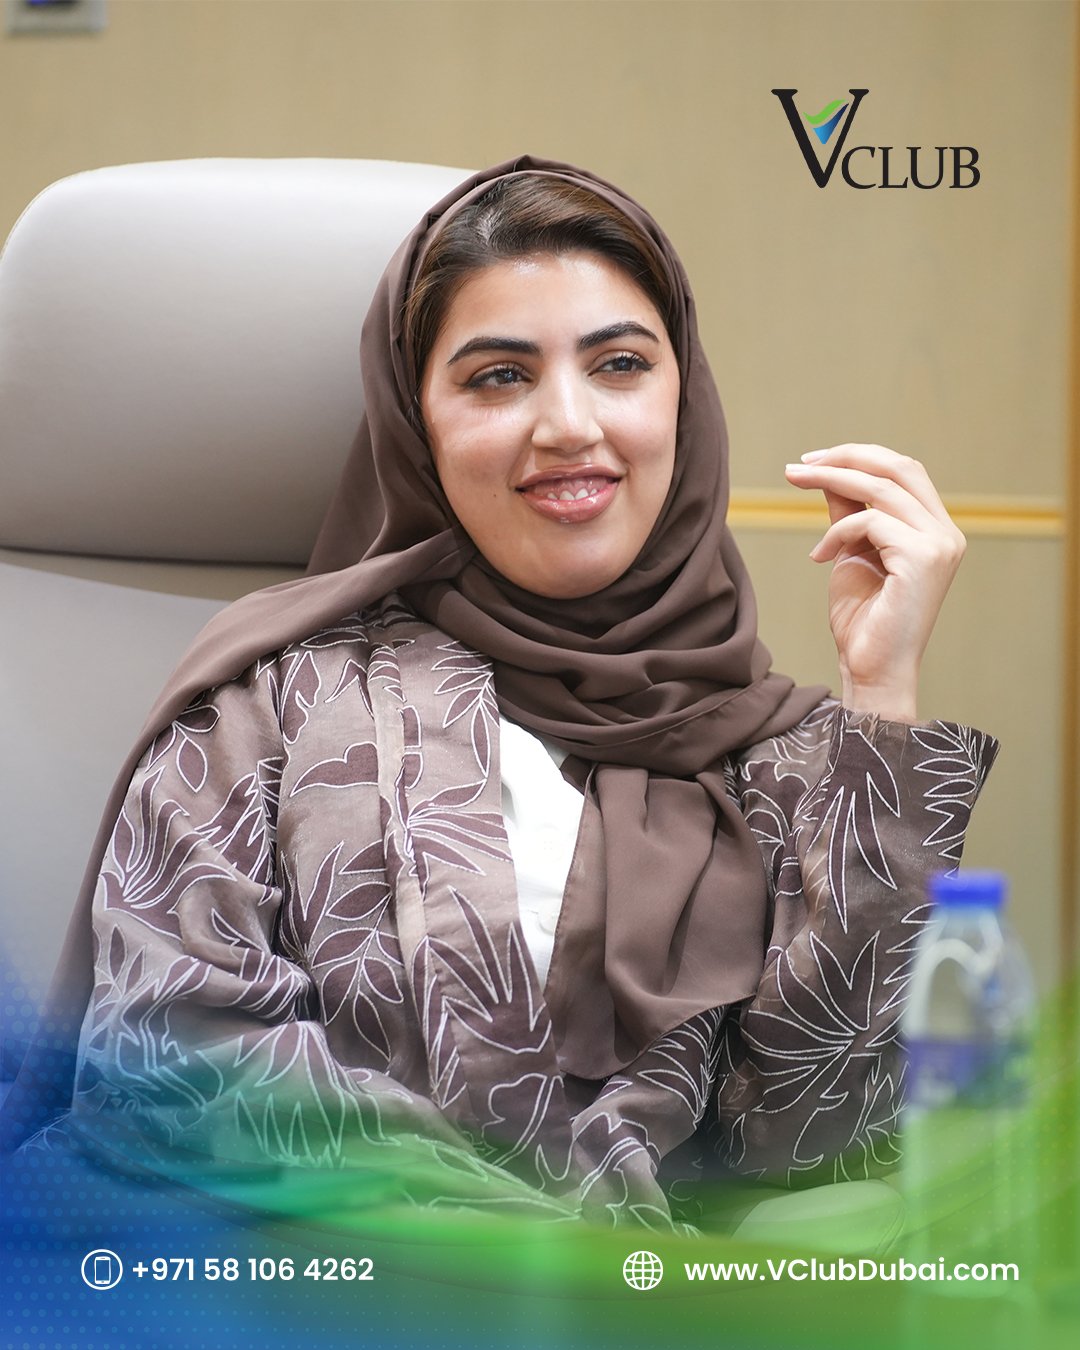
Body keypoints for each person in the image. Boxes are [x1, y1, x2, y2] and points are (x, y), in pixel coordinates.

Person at [2, 156, 997, 1231]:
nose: (568, 423)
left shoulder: (787, 754)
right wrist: (548, 1259)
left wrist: (880, 696)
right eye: (497, 377)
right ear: (414, 424)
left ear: (685, 400)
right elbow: (172, 1061)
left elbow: (822, 1141)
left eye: (620, 364)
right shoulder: (268, 697)